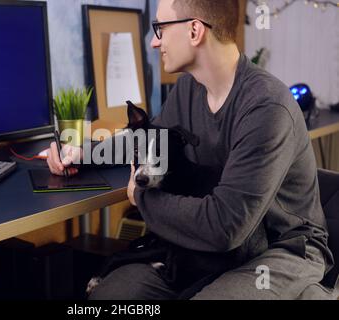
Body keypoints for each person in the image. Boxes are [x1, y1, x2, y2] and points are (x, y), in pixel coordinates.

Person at [46, 0, 334, 299]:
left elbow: (225, 226)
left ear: (195, 30)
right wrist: (84, 153)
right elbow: (150, 138)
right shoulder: (188, 90)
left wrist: (140, 196)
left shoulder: (266, 107)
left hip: (277, 248)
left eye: (159, 28)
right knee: (111, 296)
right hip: (206, 250)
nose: (154, 41)